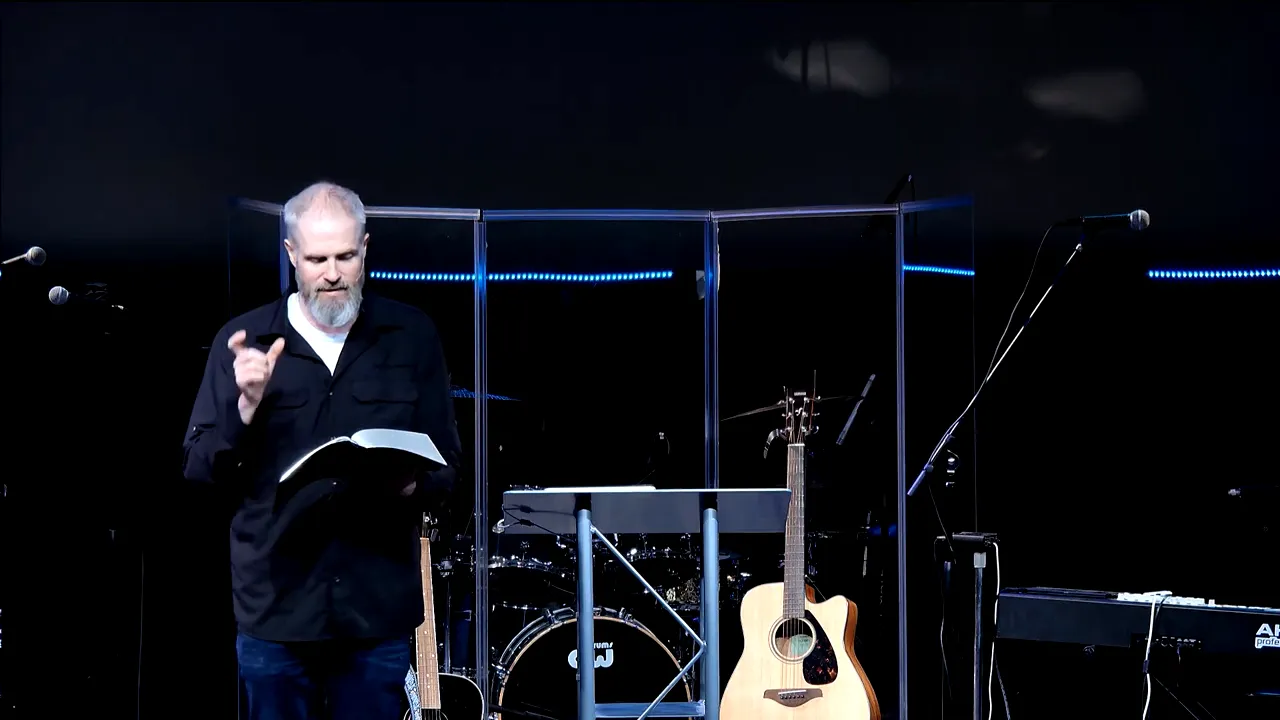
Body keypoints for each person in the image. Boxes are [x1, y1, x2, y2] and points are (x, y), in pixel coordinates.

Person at [182, 181, 461, 720]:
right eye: (316, 259)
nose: (332, 273)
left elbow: (449, 466)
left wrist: (411, 483)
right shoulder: (245, 341)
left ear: (365, 249)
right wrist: (243, 411)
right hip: (276, 616)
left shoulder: (411, 335)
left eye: (345, 256)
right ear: (291, 254)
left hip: (375, 613)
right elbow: (198, 469)